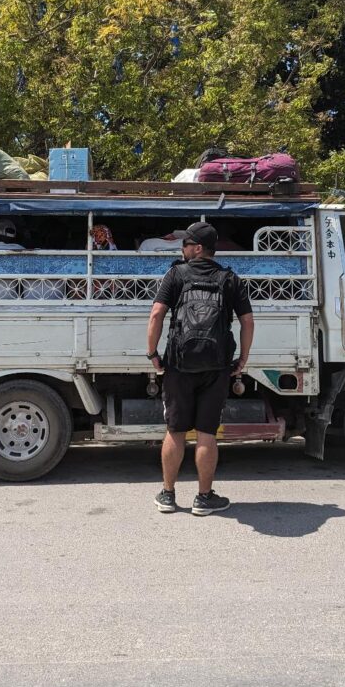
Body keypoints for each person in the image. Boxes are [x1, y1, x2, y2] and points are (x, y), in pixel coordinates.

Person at [147, 221, 254, 516]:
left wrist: (153, 354)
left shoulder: (176, 274)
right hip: (217, 366)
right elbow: (247, 321)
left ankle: (168, 495)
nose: (181, 250)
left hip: (179, 366)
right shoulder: (229, 278)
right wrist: (242, 359)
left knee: (175, 430)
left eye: (185, 245)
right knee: (207, 433)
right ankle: (204, 498)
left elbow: (156, 314)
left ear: (196, 248)